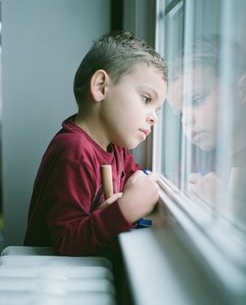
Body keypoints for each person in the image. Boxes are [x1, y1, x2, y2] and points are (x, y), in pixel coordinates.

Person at [24, 31, 168, 256]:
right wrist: (126, 209)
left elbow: (137, 178)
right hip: (54, 276)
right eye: (147, 99)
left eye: (157, 110)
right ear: (101, 86)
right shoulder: (74, 150)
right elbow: (67, 241)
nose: (154, 117)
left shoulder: (117, 147)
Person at [167, 35, 246, 225]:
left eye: (196, 100)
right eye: (180, 113)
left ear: (245, 90)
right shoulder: (193, 163)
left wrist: (232, 210)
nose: (187, 119)